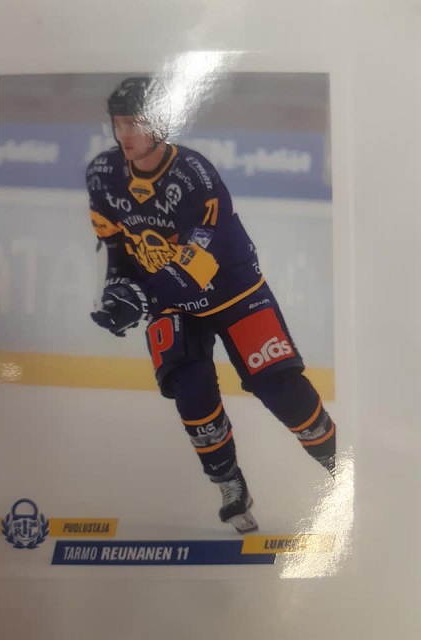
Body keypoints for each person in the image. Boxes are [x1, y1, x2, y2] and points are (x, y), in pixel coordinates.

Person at [86, 76, 336, 534]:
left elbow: (199, 261)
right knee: (191, 391)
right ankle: (229, 484)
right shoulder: (102, 174)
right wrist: (118, 290)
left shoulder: (193, 175)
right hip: (170, 300)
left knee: (280, 387)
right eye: (119, 124)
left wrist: (143, 295)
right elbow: (118, 249)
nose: (125, 135)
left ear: (160, 124)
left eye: (134, 124)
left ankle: (338, 464)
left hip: (232, 289)